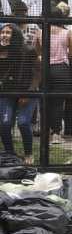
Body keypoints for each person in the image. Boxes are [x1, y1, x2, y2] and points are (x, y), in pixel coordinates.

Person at [45, 2, 72, 145]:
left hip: (45, 68)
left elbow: (37, 51)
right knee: (58, 102)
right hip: (61, 69)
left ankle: (44, 130)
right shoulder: (67, 33)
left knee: (44, 99)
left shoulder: (41, 32)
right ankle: (56, 133)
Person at [0, 24, 36, 162]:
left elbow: (38, 72)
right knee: (4, 124)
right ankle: (10, 154)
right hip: (7, 94)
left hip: (27, 93)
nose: (4, 35)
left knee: (23, 122)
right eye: (2, 32)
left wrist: (29, 92)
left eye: (8, 32)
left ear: (15, 34)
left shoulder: (28, 50)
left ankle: (28, 153)